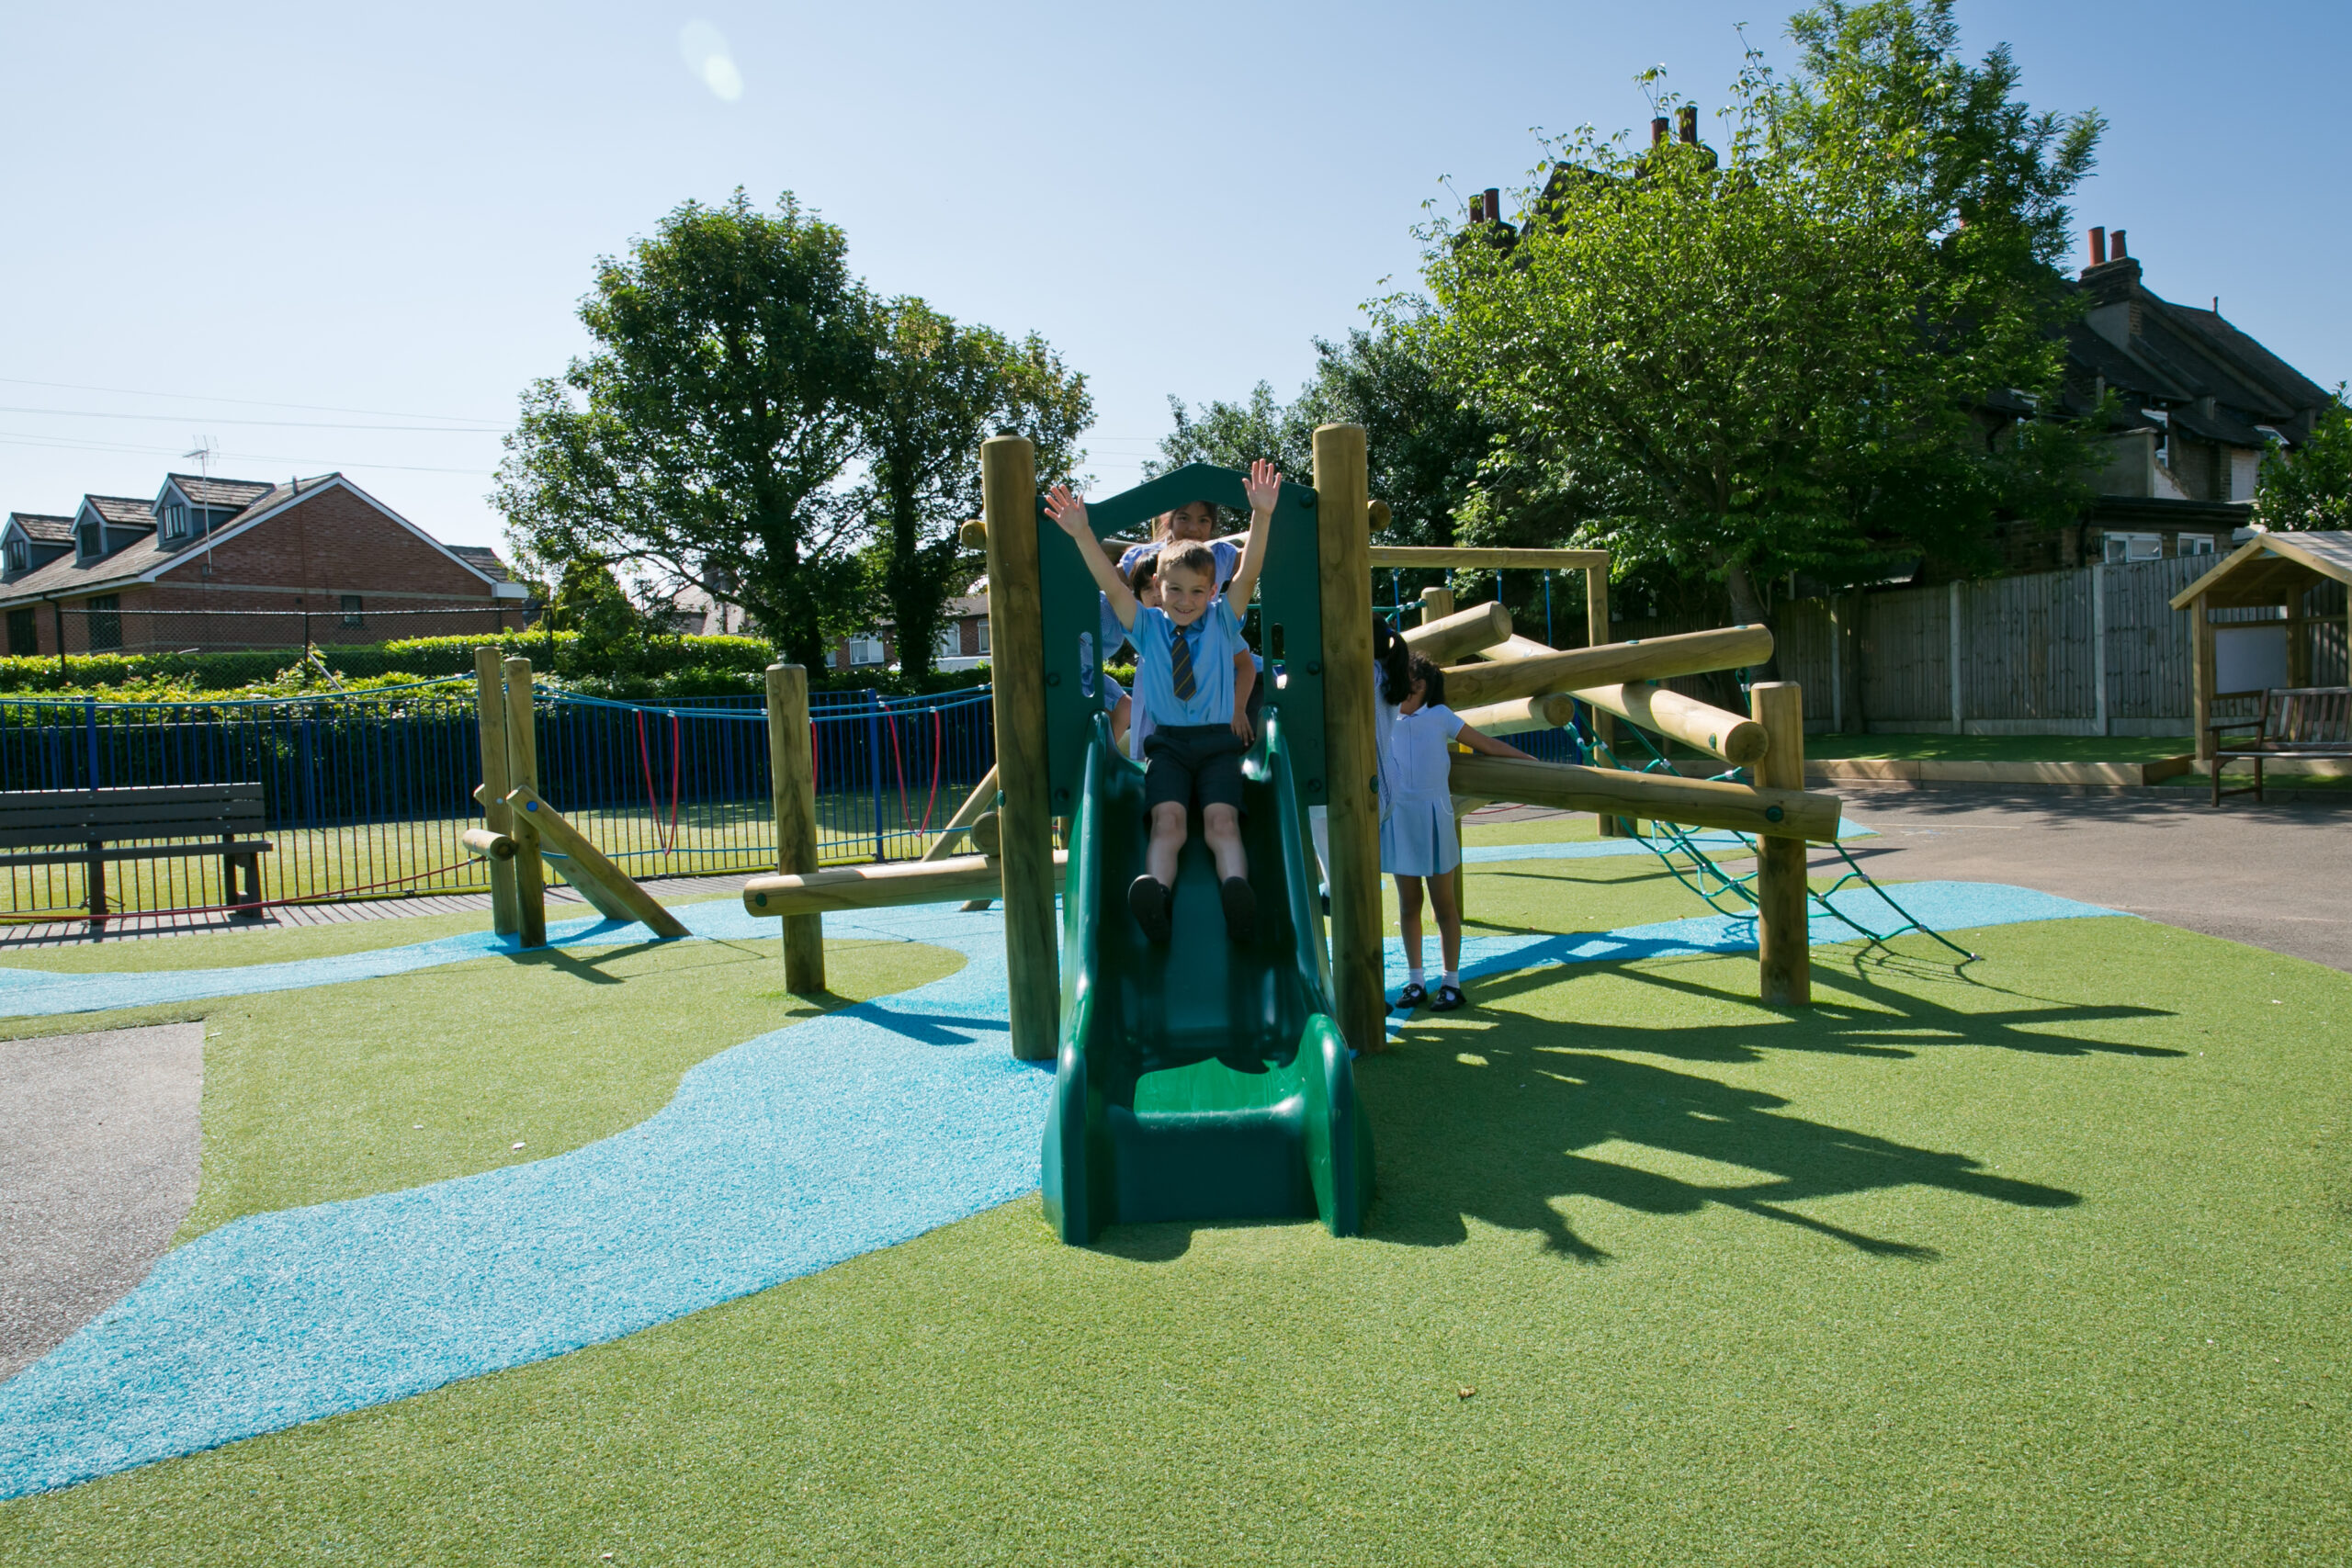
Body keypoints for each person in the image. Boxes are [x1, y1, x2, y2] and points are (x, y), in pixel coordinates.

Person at [1047, 461, 1278, 945]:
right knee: (1167, 822)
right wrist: (1082, 533)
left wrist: (1262, 515)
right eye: (1174, 590)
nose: (1185, 599)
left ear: (1212, 592)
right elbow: (1111, 586)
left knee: (1221, 821)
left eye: (1197, 591)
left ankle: (1236, 891)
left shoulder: (1222, 622)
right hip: (1168, 747)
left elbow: (1251, 570)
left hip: (1216, 745)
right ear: (1159, 590)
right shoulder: (1149, 629)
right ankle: (1157, 898)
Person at [1375, 642, 1533, 1013]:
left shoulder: (1441, 716)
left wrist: (1528, 761)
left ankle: (1451, 982)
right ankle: (1416, 981)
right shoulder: (1386, 715)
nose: (1412, 685)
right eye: (1407, 678)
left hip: (1434, 815)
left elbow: (1485, 744)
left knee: (1444, 903)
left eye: (1419, 680)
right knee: (1408, 903)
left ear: (1429, 686)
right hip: (1399, 817)